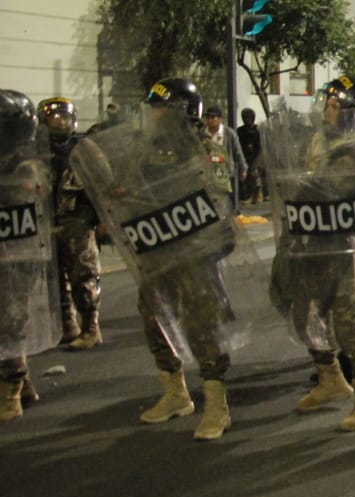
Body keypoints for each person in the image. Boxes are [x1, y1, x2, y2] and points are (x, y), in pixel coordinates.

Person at [74, 79, 243, 440]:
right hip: (155, 253)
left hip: (192, 254)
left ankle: (217, 406)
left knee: (203, 326)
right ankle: (175, 393)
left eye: (160, 107)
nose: (153, 114)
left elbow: (216, 201)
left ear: (180, 111)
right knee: (156, 324)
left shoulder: (205, 149)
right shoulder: (143, 149)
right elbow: (128, 185)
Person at [268, 76, 355, 432]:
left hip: (351, 250)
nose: (327, 110)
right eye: (328, 102)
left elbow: (337, 190)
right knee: (306, 313)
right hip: (315, 244)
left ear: (354, 114)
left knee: (352, 321)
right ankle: (330, 378)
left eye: (335, 105)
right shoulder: (320, 143)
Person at [0, 90, 59, 422]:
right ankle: (23, 384)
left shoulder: (26, 166)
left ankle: (10, 393)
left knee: (10, 321)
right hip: (8, 253)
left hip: (18, 259)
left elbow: (22, 197)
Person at [37, 97, 103, 349]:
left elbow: (103, 184)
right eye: (54, 117)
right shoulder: (35, 151)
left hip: (77, 222)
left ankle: (91, 329)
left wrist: (100, 220)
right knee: (54, 280)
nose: (60, 121)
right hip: (45, 223)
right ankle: (68, 325)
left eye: (64, 116)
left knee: (84, 276)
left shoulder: (85, 149)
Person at [203, 106, 246, 209]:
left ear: (220, 119)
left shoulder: (229, 134)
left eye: (213, 117)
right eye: (208, 117)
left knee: (229, 201)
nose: (210, 120)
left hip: (226, 174)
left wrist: (243, 168)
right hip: (209, 175)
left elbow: (238, 152)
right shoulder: (203, 134)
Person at [236, 108, 264, 204]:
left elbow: (260, 146)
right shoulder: (240, 131)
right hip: (244, 157)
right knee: (246, 177)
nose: (248, 119)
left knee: (255, 175)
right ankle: (249, 196)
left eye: (249, 117)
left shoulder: (258, 130)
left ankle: (257, 195)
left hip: (256, 157)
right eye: (245, 117)